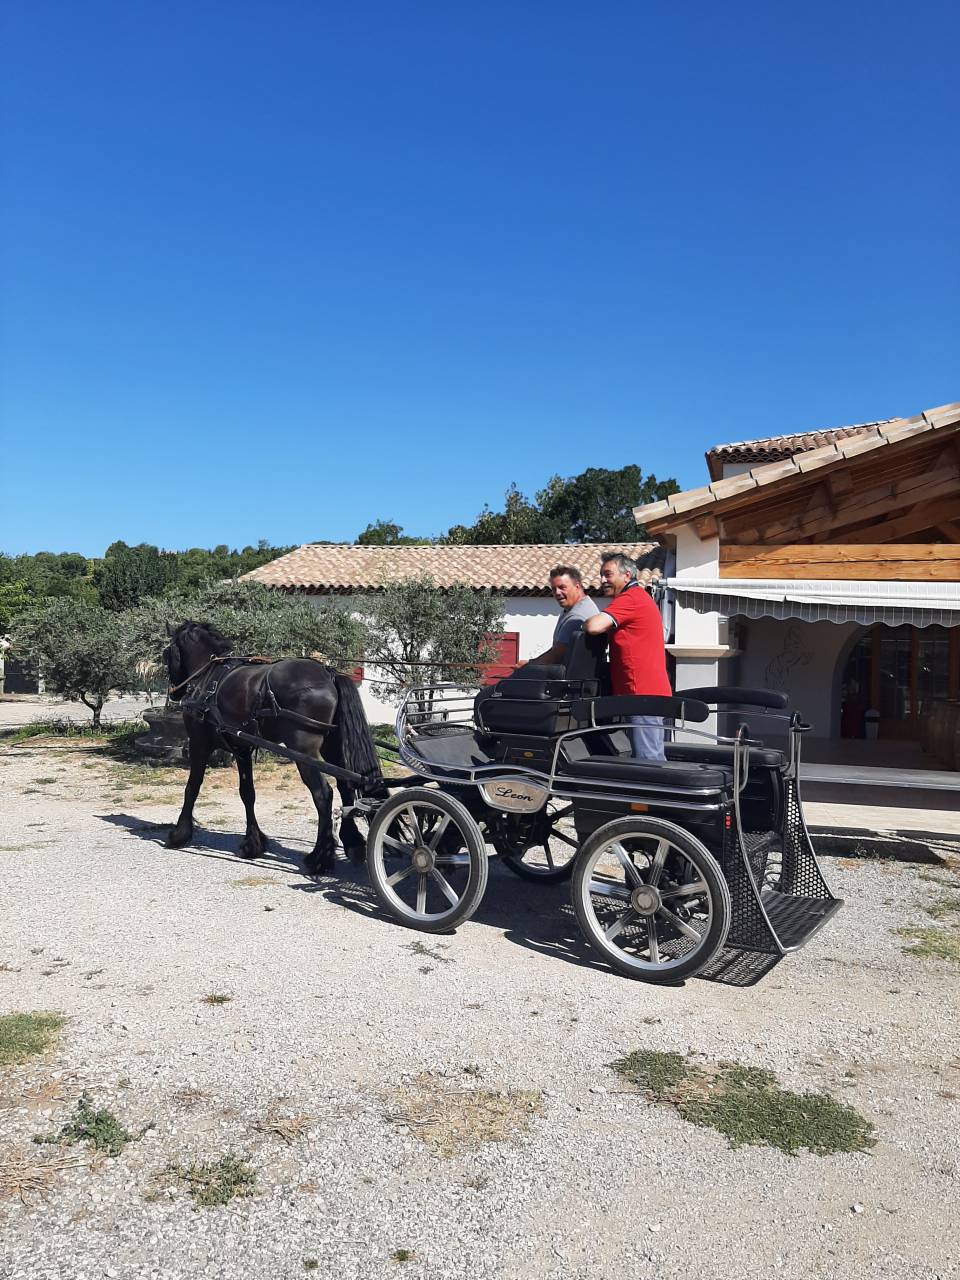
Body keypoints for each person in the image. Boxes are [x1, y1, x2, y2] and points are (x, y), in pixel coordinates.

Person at [583, 552, 671, 759]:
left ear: (627, 575)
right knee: (650, 756)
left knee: (648, 761)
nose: (602, 580)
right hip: (645, 693)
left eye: (608, 574)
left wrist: (581, 624)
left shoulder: (630, 598)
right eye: (601, 575)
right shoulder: (637, 597)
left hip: (641, 695)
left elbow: (594, 626)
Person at [526, 565, 599, 669]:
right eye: (554, 589)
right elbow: (556, 650)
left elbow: (556, 657)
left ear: (577, 587)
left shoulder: (576, 617)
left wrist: (528, 666)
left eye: (562, 587)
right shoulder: (575, 608)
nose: (557, 593)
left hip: (572, 677)